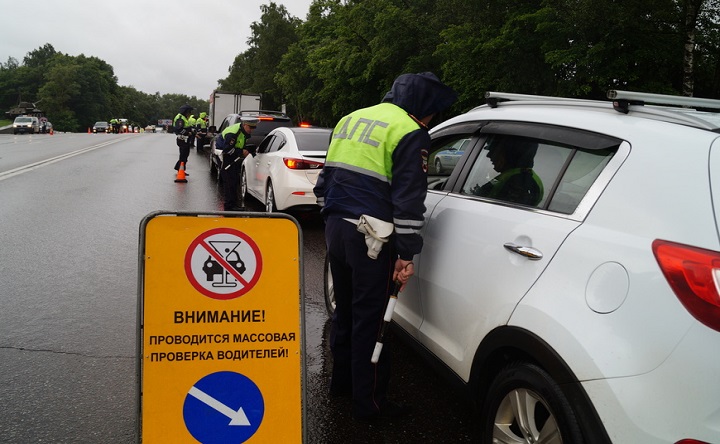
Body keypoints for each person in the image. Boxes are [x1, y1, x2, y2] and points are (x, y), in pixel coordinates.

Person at [313, 72, 456, 423]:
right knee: (371, 321)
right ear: (424, 107)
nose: (430, 120)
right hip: (372, 239)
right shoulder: (410, 131)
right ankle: (370, 406)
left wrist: (332, 219)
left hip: (337, 228)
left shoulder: (350, 119)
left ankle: (341, 385)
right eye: (431, 113)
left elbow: (324, 180)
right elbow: (408, 199)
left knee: (344, 311)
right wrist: (406, 254)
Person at [469, 136, 544, 206]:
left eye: (493, 150)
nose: (488, 155)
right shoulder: (529, 177)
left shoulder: (516, 183)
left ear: (510, 153)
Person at [218, 117, 258, 210]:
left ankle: (233, 205)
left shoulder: (244, 132)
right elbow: (227, 149)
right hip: (224, 156)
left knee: (234, 180)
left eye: (253, 128)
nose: (251, 130)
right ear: (244, 125)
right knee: (229, 181)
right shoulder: (233, 133)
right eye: (250, 128)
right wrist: (241, 151)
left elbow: (239, 145)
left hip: (232, 156)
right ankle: (228, 207)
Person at [173, 104, 194, 175]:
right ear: (185, 111)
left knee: (185, 155)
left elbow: (187, 127)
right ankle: (180, 169)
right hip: (182, 139)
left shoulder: (184, 118)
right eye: (189, 112)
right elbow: (179, 129)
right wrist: (188, 133)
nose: (190, 114)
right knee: (183, 155)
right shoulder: (180, 118)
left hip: (185, 140)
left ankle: (181, 169)